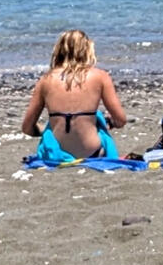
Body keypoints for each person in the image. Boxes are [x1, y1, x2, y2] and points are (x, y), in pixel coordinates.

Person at [21, 29, 130, 164]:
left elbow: (27, 128)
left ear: (59, 51)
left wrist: (49, 128)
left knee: (51, 128)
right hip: (93, 152)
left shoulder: (46, 80)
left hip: (56, 155)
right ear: (88, 50)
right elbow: (121, 120)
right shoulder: (100, 76)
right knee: (98, 119)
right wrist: (108, 123)